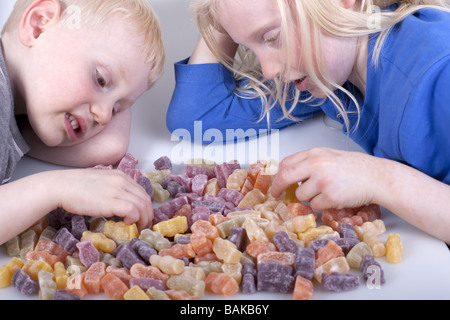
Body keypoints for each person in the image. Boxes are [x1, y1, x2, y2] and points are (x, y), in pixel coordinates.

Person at [166, 0, 450, 244]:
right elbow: (199, 115)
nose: (268, 70)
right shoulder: (332, 70)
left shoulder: (438, 72)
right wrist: (227, 13)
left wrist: (378, 177)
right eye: (250, 49)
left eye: (272, 38)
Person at [0, 0, 165, 245]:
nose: (106, 117)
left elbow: (112, 146)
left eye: (117, 107)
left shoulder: (21, 111)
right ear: (39, 25)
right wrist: (57, 189)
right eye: (100, 80)